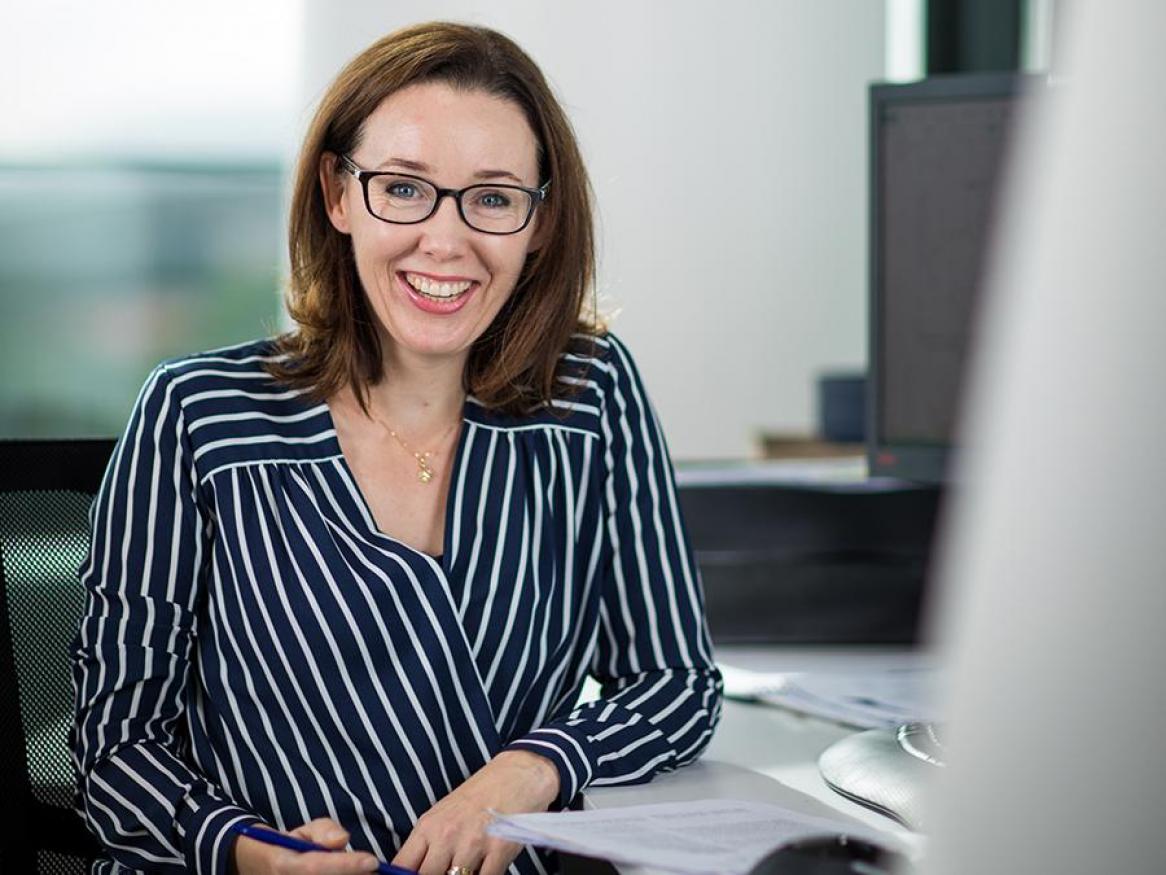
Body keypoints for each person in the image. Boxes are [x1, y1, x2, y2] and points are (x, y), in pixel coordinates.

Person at [70, 21, 722, 875]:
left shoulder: (587, 393)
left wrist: (530, 772)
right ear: (339, 196)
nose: (445, 241)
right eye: (404, 188)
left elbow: (676, 684)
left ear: (538, 222)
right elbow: (116, 752)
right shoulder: (199, 414)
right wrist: (254, 855)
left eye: (492, 197)